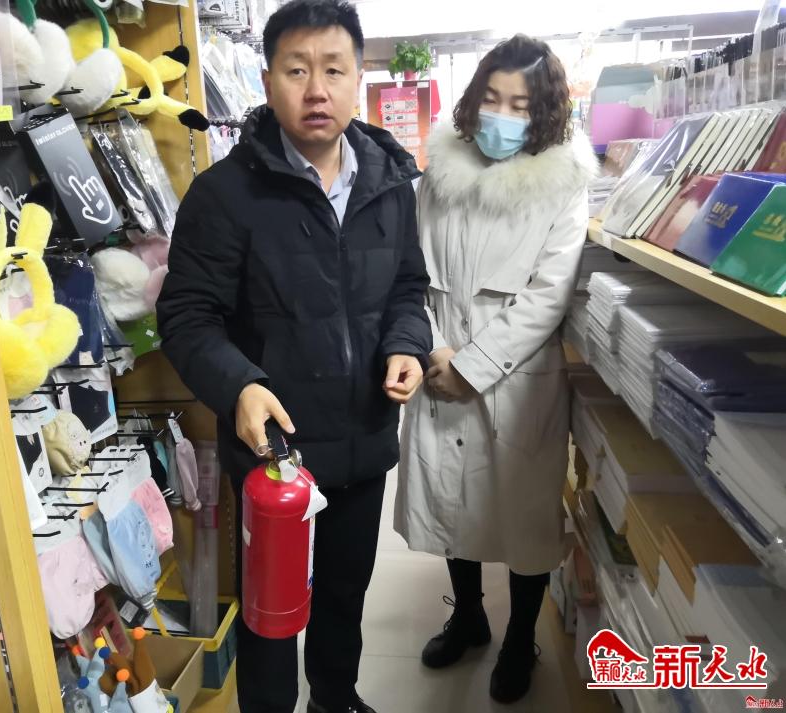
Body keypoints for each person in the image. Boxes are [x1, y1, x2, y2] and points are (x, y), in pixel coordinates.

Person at [156, 1, 432, 710]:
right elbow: (186, 315)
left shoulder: (389, 184)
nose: (317, 90)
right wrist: (239, 386)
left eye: (334, 70)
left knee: (345, 591)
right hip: (274, 453)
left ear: (358, 78)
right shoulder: (225, 195)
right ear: (267, 80)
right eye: (297, 70)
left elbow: (408, 286)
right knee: (271, 613)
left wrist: (406, 343)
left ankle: (335, 697)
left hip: (363, 439)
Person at [394, 35, 598, 704]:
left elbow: (548, 294)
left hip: (516, 377)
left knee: (523, 516)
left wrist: (475, 366)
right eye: (492, 98)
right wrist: (435, 352)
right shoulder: (439, 175)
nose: (502, 115)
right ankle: (469, 616)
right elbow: (412, 271)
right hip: (439, 357)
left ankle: (520, 639)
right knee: (455, 505)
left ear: (543, 112)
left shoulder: (564, 183)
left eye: (519, 104)